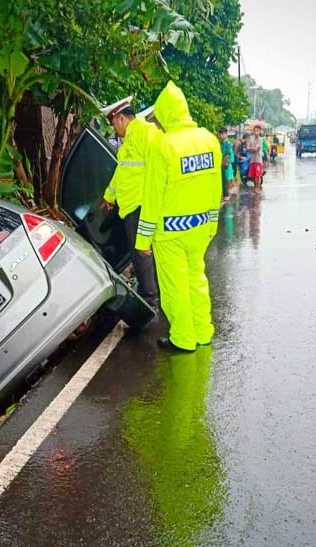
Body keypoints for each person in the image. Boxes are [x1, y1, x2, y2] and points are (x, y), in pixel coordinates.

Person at [136, 81, 222, 352]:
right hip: (200, 228)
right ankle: (203, 331)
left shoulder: (163, 146)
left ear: (165, 113)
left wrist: (142, 241)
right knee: (197, 279)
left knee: (175, 286)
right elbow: (215, 188)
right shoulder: (209, 140)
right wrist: (212, 224)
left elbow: (152, 199)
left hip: (170, 232)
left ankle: (183, 338)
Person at [101, 96, 160, 309]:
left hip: (141, 204)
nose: (113, 127)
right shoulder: (130, 138)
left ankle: (149, 298)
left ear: (121, 119)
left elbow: (156, 167)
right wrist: (109, 196)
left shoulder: (144, 132)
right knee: (140, 252)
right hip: (130, 205)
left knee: (141, 252)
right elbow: (122, 171)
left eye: (113, 122)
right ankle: (150, 291)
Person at [246, 125, 264, 194]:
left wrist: (251, 148)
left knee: (258, 175)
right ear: (253, 131)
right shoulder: (251, 138)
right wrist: (252, 149)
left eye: (257, 130)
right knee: (253, 175)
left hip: (258, 160)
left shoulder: (261, 139)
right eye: (255, 130)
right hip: (252, 160)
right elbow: (247, 148)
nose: (256, 132)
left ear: (260, 131)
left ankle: (258, 188)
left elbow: (256, 149)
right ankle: (255, 188)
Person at [218, 127, 234, 201]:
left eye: (222, 134)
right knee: (224, 179)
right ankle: (226, 194)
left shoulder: (228, 143)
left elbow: (227, 155)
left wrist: (224, 163)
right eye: (220, 134)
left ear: (225, 134)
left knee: (226, 179)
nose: (220, 135)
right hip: (221, 162)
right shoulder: (220, 143)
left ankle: (226, 194)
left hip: (225, 163)